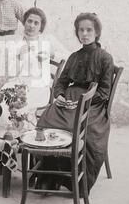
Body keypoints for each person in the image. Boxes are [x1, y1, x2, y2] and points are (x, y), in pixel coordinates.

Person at [37, 12, 114, 192]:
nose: (85, 34)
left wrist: (82, 102)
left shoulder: (105, 58)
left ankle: (76, 182)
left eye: (89, 30)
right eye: (81, 30)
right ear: (77, 32)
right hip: (69, 100)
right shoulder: (74, 56)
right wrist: (61, 96)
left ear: (97, 33)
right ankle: (48, 175)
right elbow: (61, 82)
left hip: (92, 105)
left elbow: (104, 92)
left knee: (75, 127)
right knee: (47, 121)